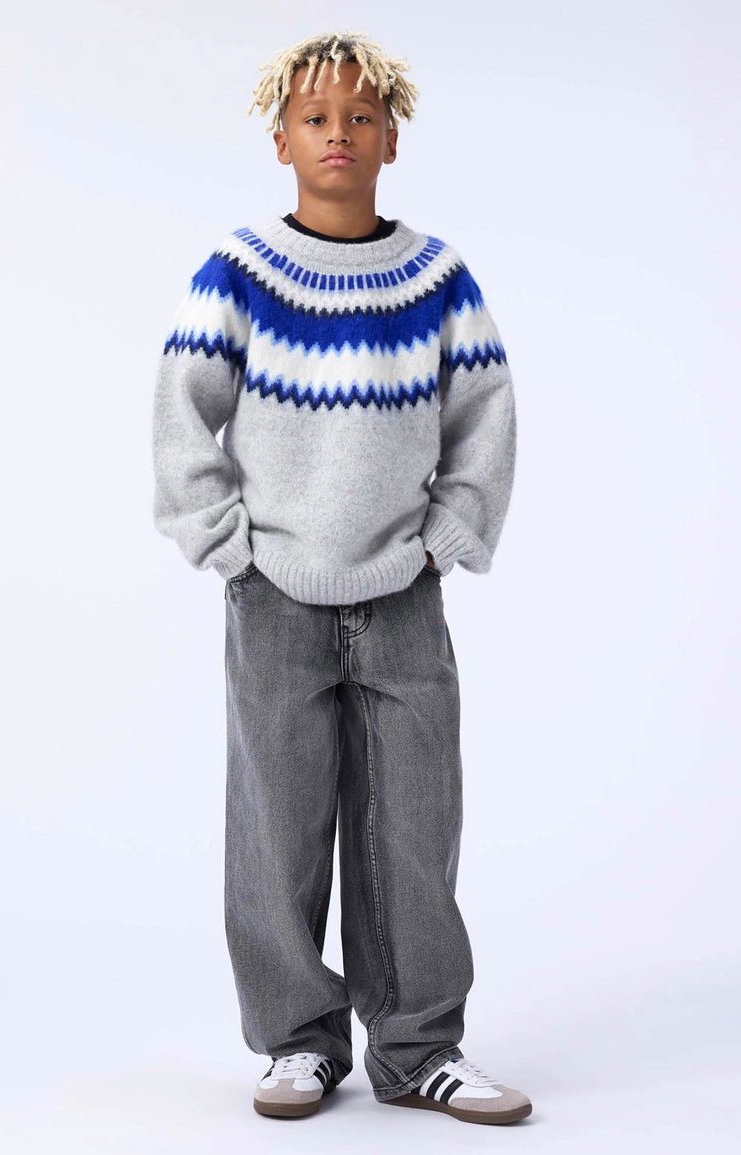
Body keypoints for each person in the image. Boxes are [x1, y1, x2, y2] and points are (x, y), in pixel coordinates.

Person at [151, 29, 531, 1126]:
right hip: (274, 595)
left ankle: (418, 1049)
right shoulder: (241, 272)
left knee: (413, 824)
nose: (338, 134)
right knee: (276, 828)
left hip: (404, 591)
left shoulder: (435, 277)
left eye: (361, 116)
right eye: (315, 118)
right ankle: (296, 1042)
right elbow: (181, 406)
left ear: (390, 140)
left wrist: (451, 530)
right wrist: (224, 541)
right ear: (280, 139)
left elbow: (485, 408)